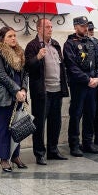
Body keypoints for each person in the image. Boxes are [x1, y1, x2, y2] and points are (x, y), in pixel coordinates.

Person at [25, 18, 69, 165]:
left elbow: (61, 66)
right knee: (39, 124)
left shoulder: (56, 44)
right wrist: (38, 57)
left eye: (51, 26)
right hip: (42, 92)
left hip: (57, 89)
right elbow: (27, 67)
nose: (50, 29)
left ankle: (53, 150)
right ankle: (39, 153)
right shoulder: (32, 45)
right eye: (47, 27)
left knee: (55, 122)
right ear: (38, 29)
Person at [0, 26, 29, 172]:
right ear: (2, 38)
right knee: (4, 127)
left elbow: (25, 73)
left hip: (18, 96)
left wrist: (23, 89)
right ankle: (4, 159)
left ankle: (15, 155)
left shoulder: (20, 53)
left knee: (17, 126)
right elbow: (1, 75)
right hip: (3, 96)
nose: (13, 39)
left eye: (14, 36)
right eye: (10, 36)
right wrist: (16, 90)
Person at [64, 16, 98, 156]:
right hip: (79, 85)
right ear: (75, 27)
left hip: (93, 84)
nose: (85, 28)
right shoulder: (70, 44)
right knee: (76, 115)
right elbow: (72, 67)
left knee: (91, 114)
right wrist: (87, 79)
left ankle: (88, 142)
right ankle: (74, 145)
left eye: (86, 25)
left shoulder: (92, 42)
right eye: (82, 26)